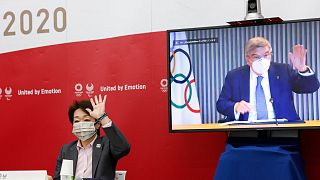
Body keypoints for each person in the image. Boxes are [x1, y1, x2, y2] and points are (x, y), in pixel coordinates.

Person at [216, 36, 319, 122]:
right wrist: (236, 106)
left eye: (266, 55)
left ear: (271, 55)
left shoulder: (283, 71)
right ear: (248, 59)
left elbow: (310, 88)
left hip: (282, 129)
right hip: (246, 129)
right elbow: (221, 104)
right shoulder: (234, 76)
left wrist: (302, 69)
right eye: (256, 57)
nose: (262, 60)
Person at [49, 94, 130, 180]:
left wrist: (103, 118)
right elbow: (58, 178)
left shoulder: (107, 144)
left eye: (86, 120)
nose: (80, 124)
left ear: (98, 124)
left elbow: (123, 148)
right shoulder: (66, 149)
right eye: (76, 121)